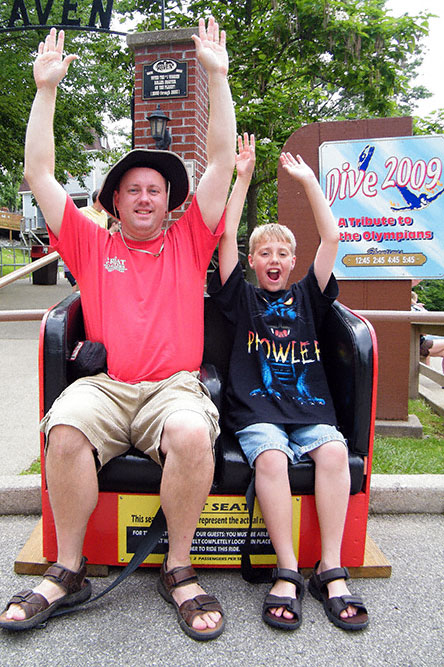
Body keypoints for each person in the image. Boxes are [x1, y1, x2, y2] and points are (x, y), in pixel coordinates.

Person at [0, 17, 236, 641]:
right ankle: (69, 568)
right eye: (132, 190)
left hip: (174, 386)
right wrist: (45, 91)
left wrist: (217, 74)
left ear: (169, 201)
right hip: (108, 386)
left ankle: (178, 566)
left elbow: (218, 162)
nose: (145, 198)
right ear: (114, 201)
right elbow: (41, 177)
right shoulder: (88, 242)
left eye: (155, 190)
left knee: (189, 430)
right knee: (67, 424)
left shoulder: (191, 241)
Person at [207, 133, 369, 631]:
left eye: (282, 252)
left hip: (310, 411)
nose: (273, 260)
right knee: (272, 459)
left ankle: (331, 568)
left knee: (336, 453)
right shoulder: (242, 298)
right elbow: (225, 234)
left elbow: (333, 239)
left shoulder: (309, 296)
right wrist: (242, 178)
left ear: (292, 262)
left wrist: (308, 182)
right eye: (264, 253)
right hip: (258, 413)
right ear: (252, 262)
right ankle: (287, 569)